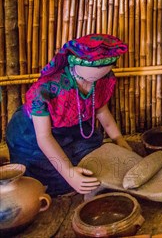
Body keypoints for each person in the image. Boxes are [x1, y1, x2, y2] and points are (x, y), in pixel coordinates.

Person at [6, 34, 130, 196]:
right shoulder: (46, 90)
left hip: (72, 128)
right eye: (95, 66)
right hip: (33, 135)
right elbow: (44, 137)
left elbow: (101, 110)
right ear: (74, 62)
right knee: (56, 179)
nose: (101, 72)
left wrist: (119, 139)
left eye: (107, 66)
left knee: (95, 161)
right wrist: (69, 173)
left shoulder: (103, 79)